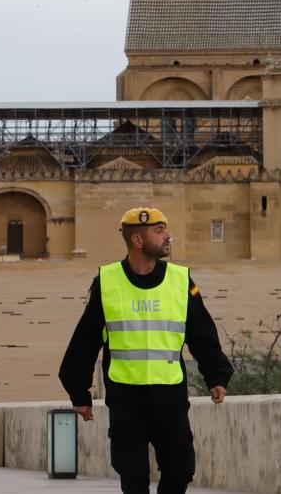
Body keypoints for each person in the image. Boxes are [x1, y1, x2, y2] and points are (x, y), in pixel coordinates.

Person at [59, 207, 233, 494]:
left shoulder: (180, 280)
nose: (168, 236)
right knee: (134, 478)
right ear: (137, 241)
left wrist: (216, 375)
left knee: (181, 471)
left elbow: (202, 332)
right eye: (159, 230)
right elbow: (86, 339)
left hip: (170, 397)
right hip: (126, 399)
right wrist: (79, 392)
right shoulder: (107, 282)